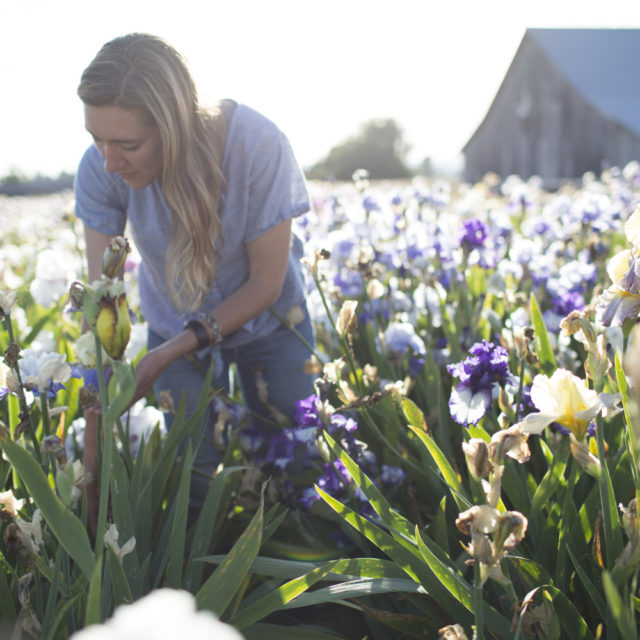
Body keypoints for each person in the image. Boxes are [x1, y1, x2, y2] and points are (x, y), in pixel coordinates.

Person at [74, 33, 316, 510]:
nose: (109, 161)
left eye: (128, 144)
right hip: (171, 324)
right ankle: (211, 573)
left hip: (271, 322)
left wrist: (166, 354)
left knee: (295, 461)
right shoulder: (102, 169)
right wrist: (92, 437)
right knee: (195, 481)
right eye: (96, 140)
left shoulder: (257, 145)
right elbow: (101, 298)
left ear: (174, 127)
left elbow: (265, 283)